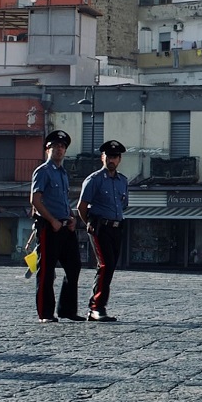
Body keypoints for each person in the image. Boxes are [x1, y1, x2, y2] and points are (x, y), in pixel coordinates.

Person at [31, 130, 83, 323]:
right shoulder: (43, 171)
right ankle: (45, 313)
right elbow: (35, 200)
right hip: (49, 227)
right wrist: (52, 220)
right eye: (55, 147)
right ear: (48, 149)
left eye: (62, 147)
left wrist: (71, 217)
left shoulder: (63, 173)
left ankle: (67, 310)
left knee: (74, 266)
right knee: (46, 270)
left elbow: (62, 200)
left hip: (64, 227)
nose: (59, 150)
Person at [77, 140, 129, 322]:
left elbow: (123, 205)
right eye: (108, 156)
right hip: (100, 227)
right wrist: (89, 224)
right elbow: (81, 206)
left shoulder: (123, 181)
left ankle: (99, 305)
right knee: (105, 265)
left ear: (120, 159)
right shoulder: (94, 180)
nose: (111, 160)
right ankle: (96, 307)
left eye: (115, 157)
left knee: (111, 267)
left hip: (116, 228)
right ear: (102, 157)